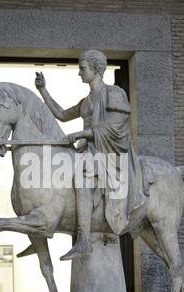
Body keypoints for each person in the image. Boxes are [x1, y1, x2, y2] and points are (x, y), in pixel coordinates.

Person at [35, 49, 147, 261]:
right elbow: (61, 114)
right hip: (90, 151)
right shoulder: (86, 101)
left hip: (110, 153)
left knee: (81, 176)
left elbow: (116, 128)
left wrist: (82, 133)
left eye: (82, 68)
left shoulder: (114, 93)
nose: (79, 73)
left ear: (96, 69)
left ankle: (84, 239)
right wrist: (43, 91)